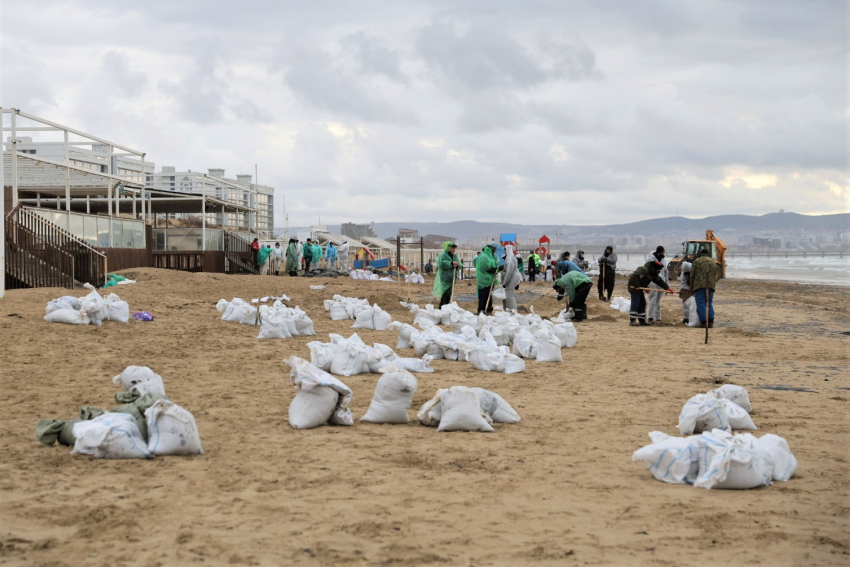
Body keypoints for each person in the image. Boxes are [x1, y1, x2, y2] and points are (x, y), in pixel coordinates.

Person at [627, 260, 673, 326]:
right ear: (654, 268)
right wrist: (636, 286)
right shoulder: (643, 269)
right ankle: (632, 320)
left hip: (640, 288)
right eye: (658, 270)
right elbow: (634, 276)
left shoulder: (653, 274)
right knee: (636, 302)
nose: (658, 272)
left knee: (642, 303)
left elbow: (659, 281)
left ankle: (642, 321)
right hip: (634, 287)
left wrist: (667, 288)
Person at [690, 248, 717, 328]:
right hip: (710, 286)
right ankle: (711, 321)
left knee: (701, 303)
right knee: (709, 303)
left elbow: (692, 275)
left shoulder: (696, 261)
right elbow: (715, 274)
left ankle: (704, 321)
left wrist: (692, 288)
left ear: (700, 253)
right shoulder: (712, 262)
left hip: (699, 286)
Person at [645, 246, 669, 323]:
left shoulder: (663, 260)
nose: (663, 254)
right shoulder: (650, 259)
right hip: (653, 281)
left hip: (661, 282)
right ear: (659, 252)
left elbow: (665, 273)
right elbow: (646, 271)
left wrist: (667, 286)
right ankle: (650, 316)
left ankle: (657, 317)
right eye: (663, 252)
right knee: (652, 299)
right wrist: (646, 285)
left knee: (658, 300)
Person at [433, 242, 460, 307]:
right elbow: (441, 264)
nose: (454, 250)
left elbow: (459, 263)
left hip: (452, 277)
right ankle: (441, 305)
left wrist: (457, 265)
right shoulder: (442, 255)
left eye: (454, 248)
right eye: (452, 248)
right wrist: (451, 263)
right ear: (448, 248)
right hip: (445, 277)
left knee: (449, 293)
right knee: (444, 293)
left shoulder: (455, 256)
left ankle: (447, 306)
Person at [476, 244, 500, 314]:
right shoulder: (484, 257)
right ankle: (481, 309)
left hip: (489, 279)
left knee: (489, 295)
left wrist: (497, 269)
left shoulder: (490, 257)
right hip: (484, 279)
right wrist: (497, 269)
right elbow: (488, 268)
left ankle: (488, 309)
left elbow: (494, 265)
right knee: (483, 295)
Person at [501, 244, 521, 311]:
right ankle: (508, 309)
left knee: (509, 294)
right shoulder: (511, 257)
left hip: (513, 276)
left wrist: (505, 283)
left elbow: (509, 272)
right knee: (508, 293)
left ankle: (512, 310)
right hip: (514, 276)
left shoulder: (509, 259)